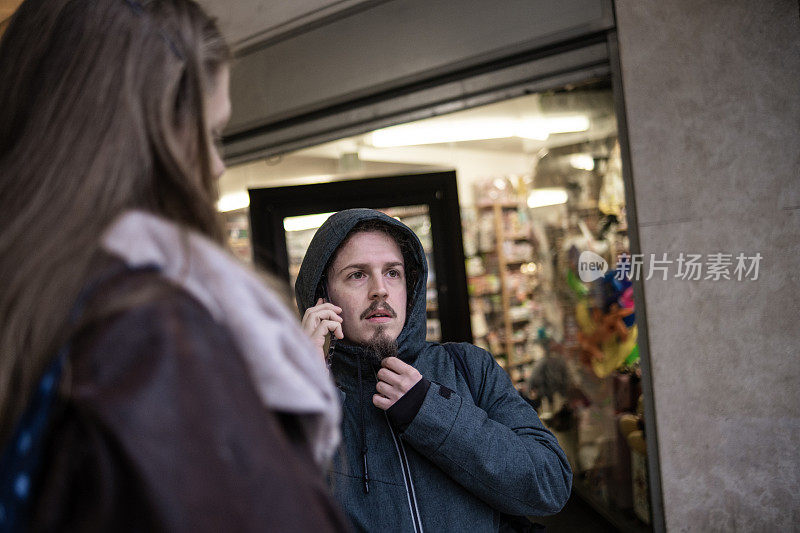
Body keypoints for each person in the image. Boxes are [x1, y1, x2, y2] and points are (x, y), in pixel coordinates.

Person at [0, 0, 349, 530]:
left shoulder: (39, 316)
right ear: (146, 136)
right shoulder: (151, 333)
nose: (217, 166)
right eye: (211, 134)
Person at [297, 208, 572, 532]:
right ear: (322, 297)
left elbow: (550, 485)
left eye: (393, 273)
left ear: (409, 288)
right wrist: (304, 388)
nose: (380, 290)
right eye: (357, 274)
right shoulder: (305, 393)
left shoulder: (469, 366)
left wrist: (430, 412)